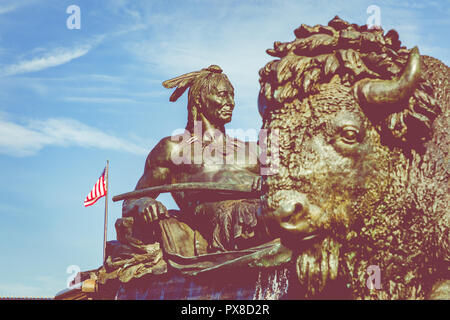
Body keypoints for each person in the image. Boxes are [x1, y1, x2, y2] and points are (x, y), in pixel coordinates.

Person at [122, 65, 269, 256]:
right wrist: (143, 204)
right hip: (229, 221)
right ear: (199, 100)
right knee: (270, 216)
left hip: (263, 206)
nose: (230, 102)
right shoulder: (173, 149)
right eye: (223, 95)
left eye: (232, 95)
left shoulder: (254, 148)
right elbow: (131, 202)